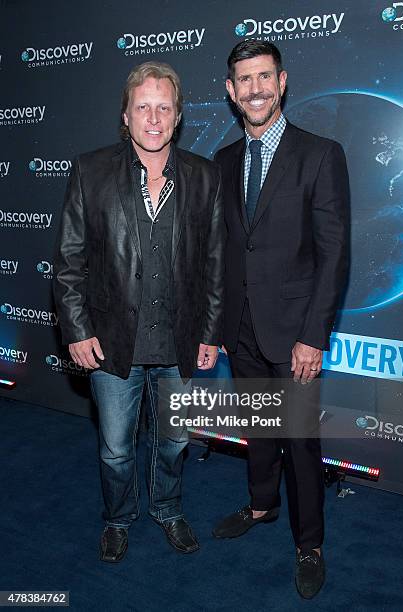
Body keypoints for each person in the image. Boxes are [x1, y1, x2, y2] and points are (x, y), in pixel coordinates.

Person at [53, 61, 224, 562]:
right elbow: (68, 262)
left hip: (179, 342)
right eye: (142, 107)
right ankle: (118, 518)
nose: (154, 118)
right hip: (110, 344)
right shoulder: (90, 171)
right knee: (115, 448)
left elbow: (215, 264)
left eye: (163, 107)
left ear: (178, 116)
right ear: (124, 116)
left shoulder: (204, 176)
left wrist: (210, 332)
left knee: (172, 443)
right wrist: (77, 331)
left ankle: (168, 509)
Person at [213, 40, 350, 599]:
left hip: (294, 331)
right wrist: (216, 326)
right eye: (244, 80)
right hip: (241, 329)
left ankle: (310, 541)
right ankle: (261, 504)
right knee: (260, 431)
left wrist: (311, 336)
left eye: (264, 76)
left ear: (283, 81)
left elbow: (334, 252)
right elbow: (221, 251)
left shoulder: (320, 154)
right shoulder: (223, 162)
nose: (255, 89)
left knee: (299, 439)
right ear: (230, 90)